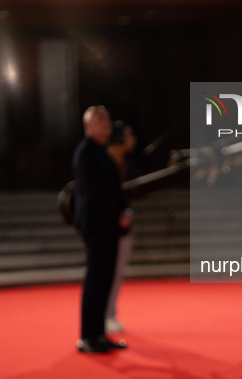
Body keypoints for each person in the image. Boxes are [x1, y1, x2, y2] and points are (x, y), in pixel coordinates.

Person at [72, 105, 133, 353]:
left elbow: (112, 189)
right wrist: (117, 212)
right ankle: (88, 335)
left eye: (108, 119)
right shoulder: (86, 152)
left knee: (105, 280)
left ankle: (98, 333)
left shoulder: (101, 151)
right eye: (100, 120)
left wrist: (123, 209)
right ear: (88, 126)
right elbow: (94, 192)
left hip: (107, 224)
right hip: (97, 224)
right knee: (96, 280)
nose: (106, 124)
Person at [105, 120, 138, 333]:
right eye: (129, 135)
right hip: (106, 227)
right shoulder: (105, 162)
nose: (132, 139)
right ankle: (105, 314)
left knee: (117, 272)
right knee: (107, 272)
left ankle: (110, 312)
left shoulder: (126, 164)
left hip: (123, 226)